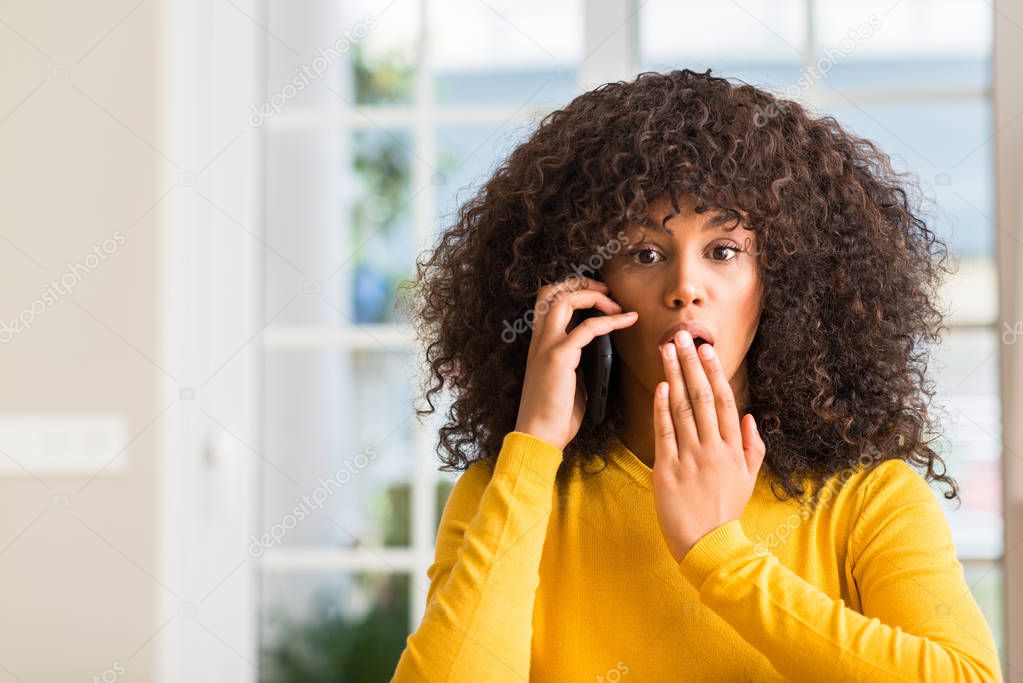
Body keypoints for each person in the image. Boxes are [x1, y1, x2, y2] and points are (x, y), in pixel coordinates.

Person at [390, 68, 1003, 681]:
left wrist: (721, 557)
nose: (685, 288)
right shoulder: (509, 489)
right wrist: (533, 447)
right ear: (587, 287)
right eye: (645, 254)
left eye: (723, 251)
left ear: (784, 281)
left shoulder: (869, 500)